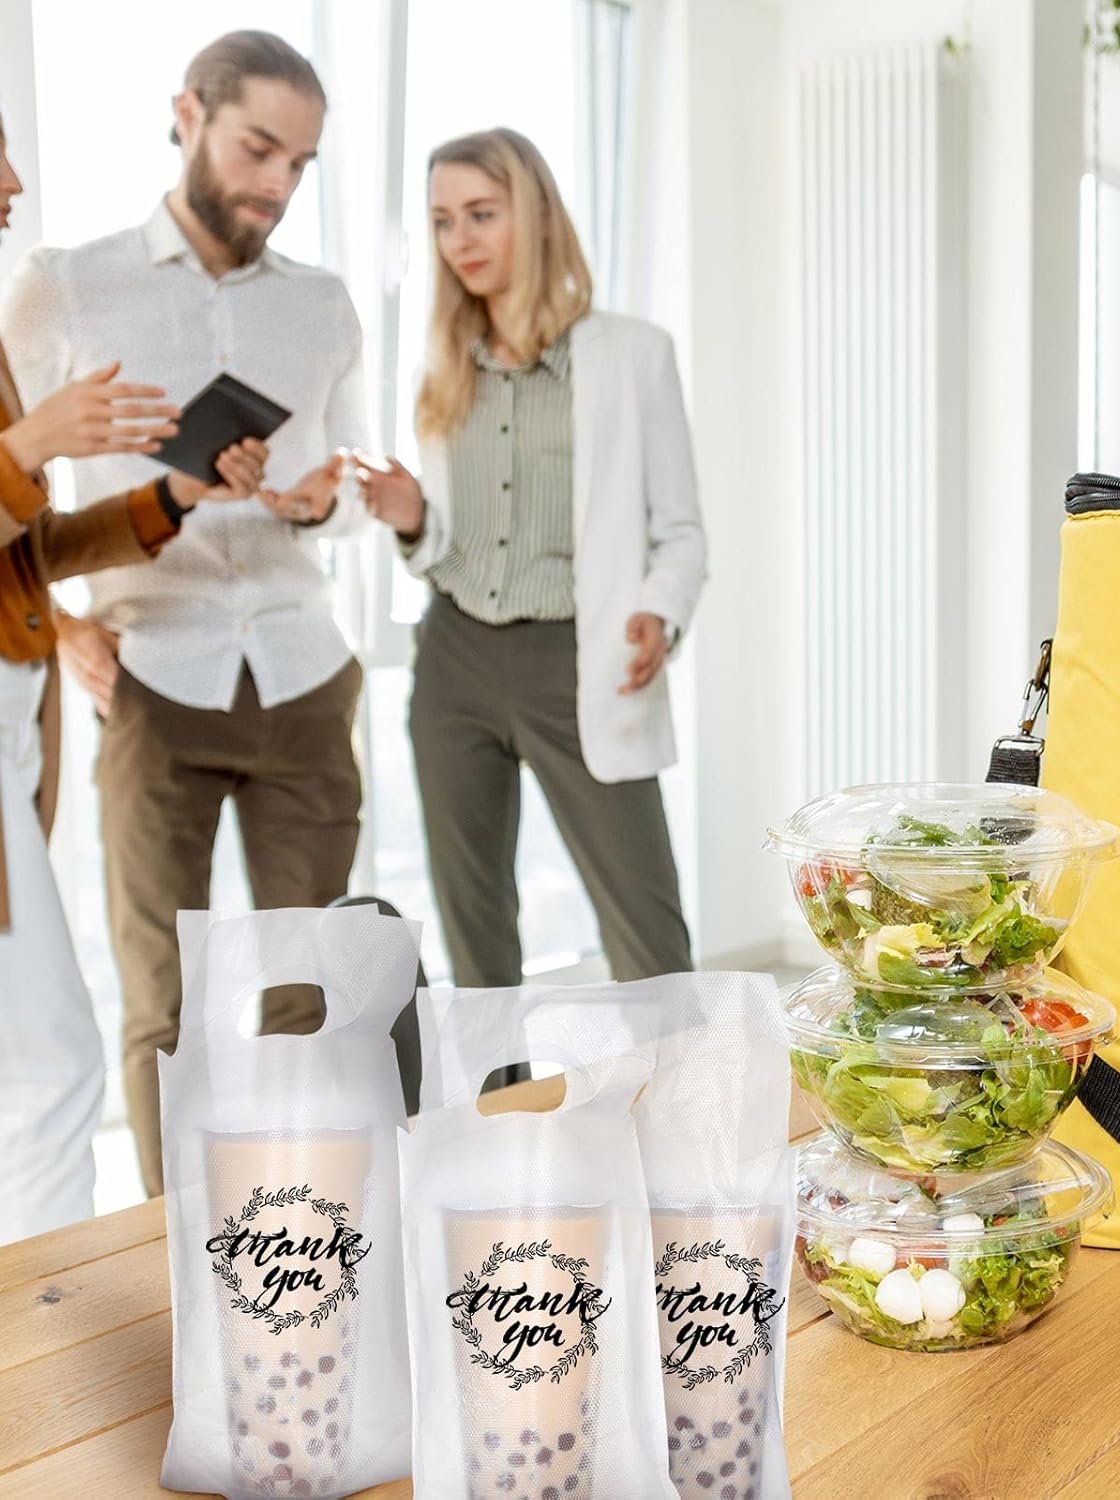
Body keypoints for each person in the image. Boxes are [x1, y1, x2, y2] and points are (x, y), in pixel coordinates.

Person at [0, 31, 372, 1199]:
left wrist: (322, 505)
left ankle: (307, 1241)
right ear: (189, 115)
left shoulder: (323, 305)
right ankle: (171, 1256)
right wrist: (57, 625)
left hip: (305, 674)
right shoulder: (66, 281)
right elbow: (14, 495)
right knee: (164, 1004)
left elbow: (348, 493)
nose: (275, 183)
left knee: (312, 991)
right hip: (152, 677)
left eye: (300, 165)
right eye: (259, 146)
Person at [361, 127, 706, 1008]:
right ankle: (496, 1127)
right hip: (455, 661)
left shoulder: (633, 355)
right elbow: (446, 543)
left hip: (578, 658)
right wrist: (411, 522)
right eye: (442, 221)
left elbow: (682, 532)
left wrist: (658, 615)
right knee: (475, 934)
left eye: (482, 213)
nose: (460, 240)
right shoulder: (439, 368)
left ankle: (694, 1123)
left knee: (649, 937)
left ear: (537, 216)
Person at [0, 115, 267, 1241]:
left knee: (37, 1059)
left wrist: (170, 501)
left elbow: (25, 554)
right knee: (53, 1067)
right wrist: (25, 449)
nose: (14, 179)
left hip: (18, 721)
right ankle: (39, 1338)